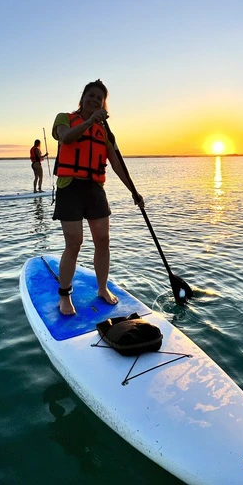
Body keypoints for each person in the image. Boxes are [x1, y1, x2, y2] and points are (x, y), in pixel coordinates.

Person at [51, 79, 144, 316]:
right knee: (75, 243)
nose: (94, 100)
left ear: (104, 104)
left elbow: (116, 164)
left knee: (103, 240)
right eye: (90, 96)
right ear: (82, 98)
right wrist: (91, 120)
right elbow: (66, 138)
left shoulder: (105, 132)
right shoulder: (64, 118)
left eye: (99, 99)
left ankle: (102, 288)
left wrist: (134, 191)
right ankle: (64, 294)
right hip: (70, 187)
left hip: (94, 189)